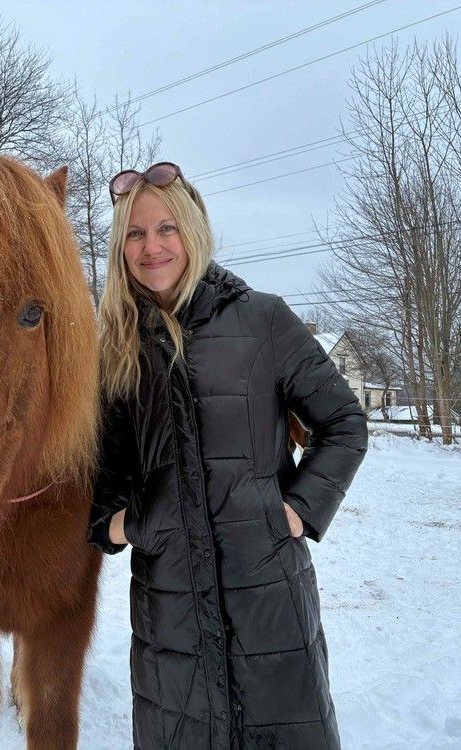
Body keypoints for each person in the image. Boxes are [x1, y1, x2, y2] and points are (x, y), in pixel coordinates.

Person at [87, 162, 368, 749]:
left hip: (269, 599)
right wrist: (133, 523)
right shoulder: (114, 347)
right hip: (170, 617)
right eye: (135, 234)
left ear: (193, 230)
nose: (152, 246)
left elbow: (343, 423)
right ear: (120, 247)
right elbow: (101, 490)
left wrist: (294, 511)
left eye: (167, 228)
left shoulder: (263, 319)